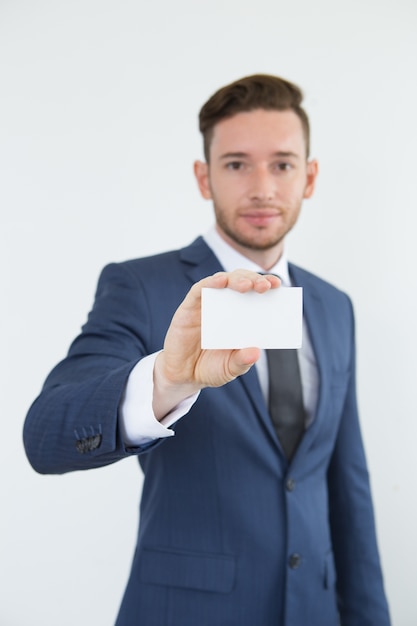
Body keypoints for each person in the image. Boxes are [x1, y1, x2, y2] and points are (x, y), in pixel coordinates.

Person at [23, 74, 391, 626]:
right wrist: (164, 382)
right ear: (204, 176)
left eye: (283, 164)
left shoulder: (335, 306)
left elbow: (348, 489)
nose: (262, 186)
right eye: (238, 163)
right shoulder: (141, 287)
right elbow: (44, 434)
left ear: (309, 177)